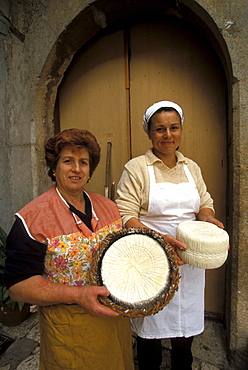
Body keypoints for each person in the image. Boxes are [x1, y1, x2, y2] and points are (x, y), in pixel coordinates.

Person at [4, 128, 134, 370]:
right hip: (69, 328)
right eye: (68, 161)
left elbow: (124, 255)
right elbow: (18, 287)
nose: (76, 168)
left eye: (83, 162)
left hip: (113, 323)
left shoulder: (108, 207)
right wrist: (77, 295)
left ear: (89, 170)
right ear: (54, 168)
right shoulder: (32, 218)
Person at [116, 101, 224, 370]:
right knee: (149, 328)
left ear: (181, 130)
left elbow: (204, 202)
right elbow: (125, 214)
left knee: (184, 330)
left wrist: (208, 218)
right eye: (160, 129)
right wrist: (161, 242)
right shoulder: (137, 168)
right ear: (149, 133)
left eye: (173, 128)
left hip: (188, 259)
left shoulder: (191, 168)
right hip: (150, 258)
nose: (168, 135)